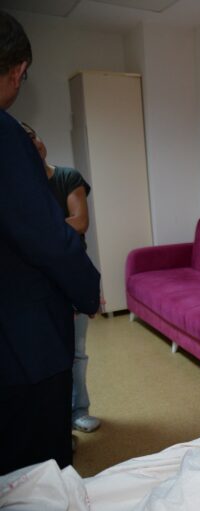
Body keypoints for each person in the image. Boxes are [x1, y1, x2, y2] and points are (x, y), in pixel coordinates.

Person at [0, 11, 101, 475]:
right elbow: (49, 239)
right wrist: (88, 290)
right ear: (18, 69)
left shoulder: (67, 176)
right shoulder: (6, 137)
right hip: (23, 341)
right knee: (38, 475)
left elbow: (76, 222)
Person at [21, 122, 101, 434]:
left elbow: (80, 222)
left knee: (77, 352)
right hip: (36, 281)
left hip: (70, 274)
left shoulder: (68, 177)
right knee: (45, 355)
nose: (33, 144)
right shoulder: (20, 187)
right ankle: (54, 422)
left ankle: (79, 411)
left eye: (34, 136)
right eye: (25, 141)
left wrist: (36, 232)